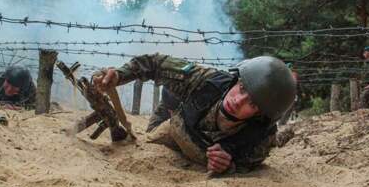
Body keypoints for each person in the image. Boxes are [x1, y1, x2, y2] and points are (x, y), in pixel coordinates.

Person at [93, 54, 297, 175]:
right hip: (175, 121)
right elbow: (155, 63)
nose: (237, 100)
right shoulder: (204, 80)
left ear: (259, 115)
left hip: (196, 151)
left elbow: (250, 163)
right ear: (236, 80)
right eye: (241, 88)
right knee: (140, 148)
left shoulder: (260, 139)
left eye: (252, 103)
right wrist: (120, 75)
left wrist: (228, 165)